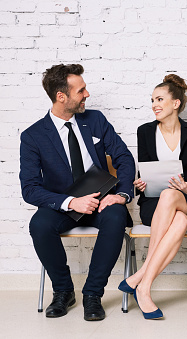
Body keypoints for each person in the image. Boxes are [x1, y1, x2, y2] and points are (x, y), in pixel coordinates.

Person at [20, 64, 135, 321]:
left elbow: (124, 158)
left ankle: (92, 294)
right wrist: (72, 202)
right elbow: (29, 189)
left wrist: (122, 194)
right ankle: (63, 291)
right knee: (39, 224)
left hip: (103, 199)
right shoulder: (33, 136)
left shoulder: (95, 120)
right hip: (64, 204)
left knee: (116, 217)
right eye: (81, 90)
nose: (87, 94)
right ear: (62, 96)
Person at [117, 74, 187, 320]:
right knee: (179, 221)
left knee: (172, 196)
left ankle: (141, 275)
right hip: (152, 203)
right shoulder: (144, 131)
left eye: (159, 99)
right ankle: (144, 288)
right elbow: (143, 170)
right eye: (152, 100)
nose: (154, 104)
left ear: (176, 103)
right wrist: (140, 183)